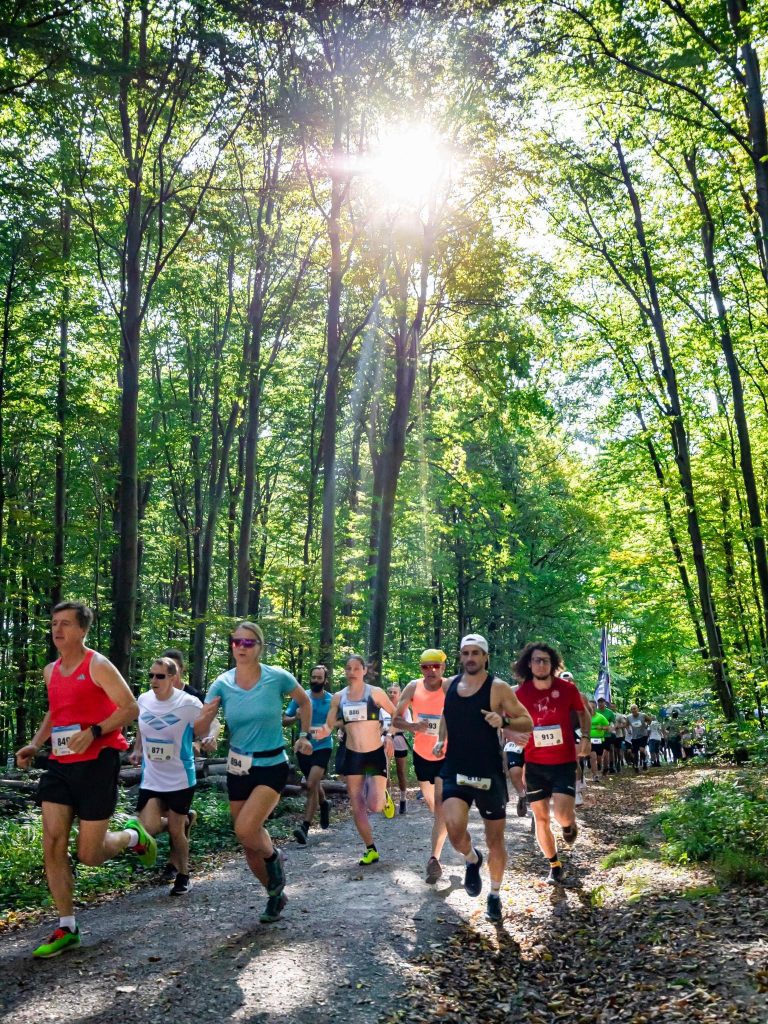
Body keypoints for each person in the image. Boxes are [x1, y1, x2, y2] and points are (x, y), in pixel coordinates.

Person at [15, 600, 156, 958]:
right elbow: (55, 711)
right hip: (61, 765)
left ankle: (131, 835)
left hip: (98, 760)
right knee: (52, 840)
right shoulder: (51, 670)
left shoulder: (98, 665)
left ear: (82, 630)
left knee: (91, 854)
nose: (57, 630)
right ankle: (67, 925)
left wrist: (94, 731)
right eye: (54, 624)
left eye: (65, 624)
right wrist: (35, 743)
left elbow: (130, 708)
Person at [196, 621, 313, 924]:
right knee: (249, 844)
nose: (241, 647)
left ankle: (274, 856)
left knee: (246, 829)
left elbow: (304, 700)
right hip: (238, 766)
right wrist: (208, 732)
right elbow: (208, 719)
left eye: (249, 643)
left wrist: (305, 735)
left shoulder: (276, 677)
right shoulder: (222, 682)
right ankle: (275, 895)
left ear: (260, 647)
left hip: (272, 764)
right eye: (236, 641)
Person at [434, 634, 533, 923]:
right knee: (453, 829)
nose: (470, 658)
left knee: (495, 839)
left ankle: (494, 894)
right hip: (455, 768)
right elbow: (446, 715)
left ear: (485, 656)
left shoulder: (498, 688)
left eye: (476, 653)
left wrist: (503, 721)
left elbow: (526, 720)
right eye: (465, 653)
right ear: (460, 656)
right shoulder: (449, 685)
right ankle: (472, 859)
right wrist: (442, 739)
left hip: (488, 771)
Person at [131, 656, 211, 895]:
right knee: (148, 827)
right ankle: (186, 819)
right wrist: (136, 749)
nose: (154, 680)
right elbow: (141, 725)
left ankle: (184, 875)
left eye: (160, 676)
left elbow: (212, 720)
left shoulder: (188, 702)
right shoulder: (144, 699)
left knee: (176, 831)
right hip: (152, 776)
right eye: (151, 675)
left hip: (179, 777)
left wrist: (209, 736)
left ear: (173, 678)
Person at [513, 641, 591, 885]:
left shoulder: (566, 689)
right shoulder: (520, 693)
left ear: (553, 664)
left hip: (563, 762)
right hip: (534, 763)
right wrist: (513, 734)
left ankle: (569, 826)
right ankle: (554, 865)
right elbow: (508, 721)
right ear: (529, 664)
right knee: (541, 818)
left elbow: (583, 713)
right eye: (536, 660)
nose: (540, 664)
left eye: (545, 660)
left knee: (562, 815)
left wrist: (586, 738)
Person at [317, 654, 397, 866]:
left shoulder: (375, 693)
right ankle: (370, 849)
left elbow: (395, 714)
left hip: (374, 754)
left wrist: (389, 735)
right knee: (357, 804)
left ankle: (383, 795)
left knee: (375, 805)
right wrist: (319, 733)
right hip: (353, 755)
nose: (351, 672)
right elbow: (329, 724)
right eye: (347, 668)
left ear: (364, 671)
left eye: (355, 668)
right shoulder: (338, 697)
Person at [393, 649, 449, 882]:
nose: (431, 671)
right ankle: (454, 833)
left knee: (440, 806)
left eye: (435, 666)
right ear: (421, 669)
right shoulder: (413, 687)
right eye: (426, 667)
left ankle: (434, 860)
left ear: (443, 668)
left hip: (447, 754)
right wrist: (414, 727)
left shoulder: (450, 687)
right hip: (422, 754)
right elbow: (396, 719)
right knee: (435, 809)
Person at [283, 664, 333, 843]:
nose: (316, 681)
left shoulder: (332, 700)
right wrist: (295, 717)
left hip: (323, 746)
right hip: (303, 747)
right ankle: (324, 803)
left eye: (319, 678)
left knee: (311, 784)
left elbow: (340, 721)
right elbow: (284, 720)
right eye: (313, 677)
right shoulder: (301, 697)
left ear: (325, 681)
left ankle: (305, 827)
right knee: (314, 783)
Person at [382, 683, 411, 815]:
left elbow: (408, 726)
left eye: (395, 692)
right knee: (385, 771)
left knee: (400, 771)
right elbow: (378, 725)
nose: (392, 694)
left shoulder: (405, 709)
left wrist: (398, 726)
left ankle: (403, 799)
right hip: (384, 741)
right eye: (390, 692)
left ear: (399, 694)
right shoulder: (381, 708)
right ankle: (389, 800)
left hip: (399, 740)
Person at [588, 700, 610, 782]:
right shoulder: (585, 717)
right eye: (590, 707)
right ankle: (595, 775)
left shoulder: (600, 717)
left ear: (596, 707)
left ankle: (599, 764)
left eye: (593, 707)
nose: (591, 709)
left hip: (600, 740)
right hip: (589, 740)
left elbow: (608, 727)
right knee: (593, 757)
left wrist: (602, 728)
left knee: (599, 758)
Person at [627, 705, 650, 772]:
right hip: (634, 737)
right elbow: (626, 725)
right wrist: (628, 730)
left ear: (638, 709)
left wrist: (647, 725)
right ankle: (636, 765)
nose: (633, 710)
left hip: (643, 735)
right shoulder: (629, 717)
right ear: (631, 710)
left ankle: (645, 762)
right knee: (635, 752)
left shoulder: (643, 715)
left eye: (634, 709)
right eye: (632, 709)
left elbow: (649, 720)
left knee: (642, 750)